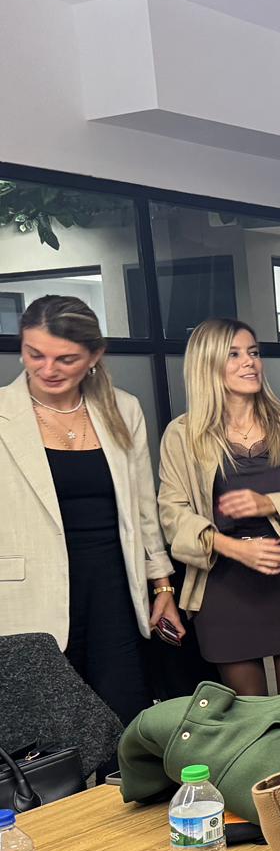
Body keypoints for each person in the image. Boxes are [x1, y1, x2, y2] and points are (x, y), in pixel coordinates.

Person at [0, 295, 181, 723]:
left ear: (94, 356)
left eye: (66, 359)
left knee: (126, 718)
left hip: (115, 592)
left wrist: (163, 589)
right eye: (35, 354)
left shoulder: (123, 408)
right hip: (27, 596)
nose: (47, 369)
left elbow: (143, 511)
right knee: (49, 732)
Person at [158, 319, 280, 696]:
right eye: (234, 355)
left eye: (253, 352)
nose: (250, 362)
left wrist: (269, 504)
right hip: (223, 589)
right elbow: (172, 514)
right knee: (252, 717)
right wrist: (234, 548)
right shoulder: (182, 435)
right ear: (207, 364)